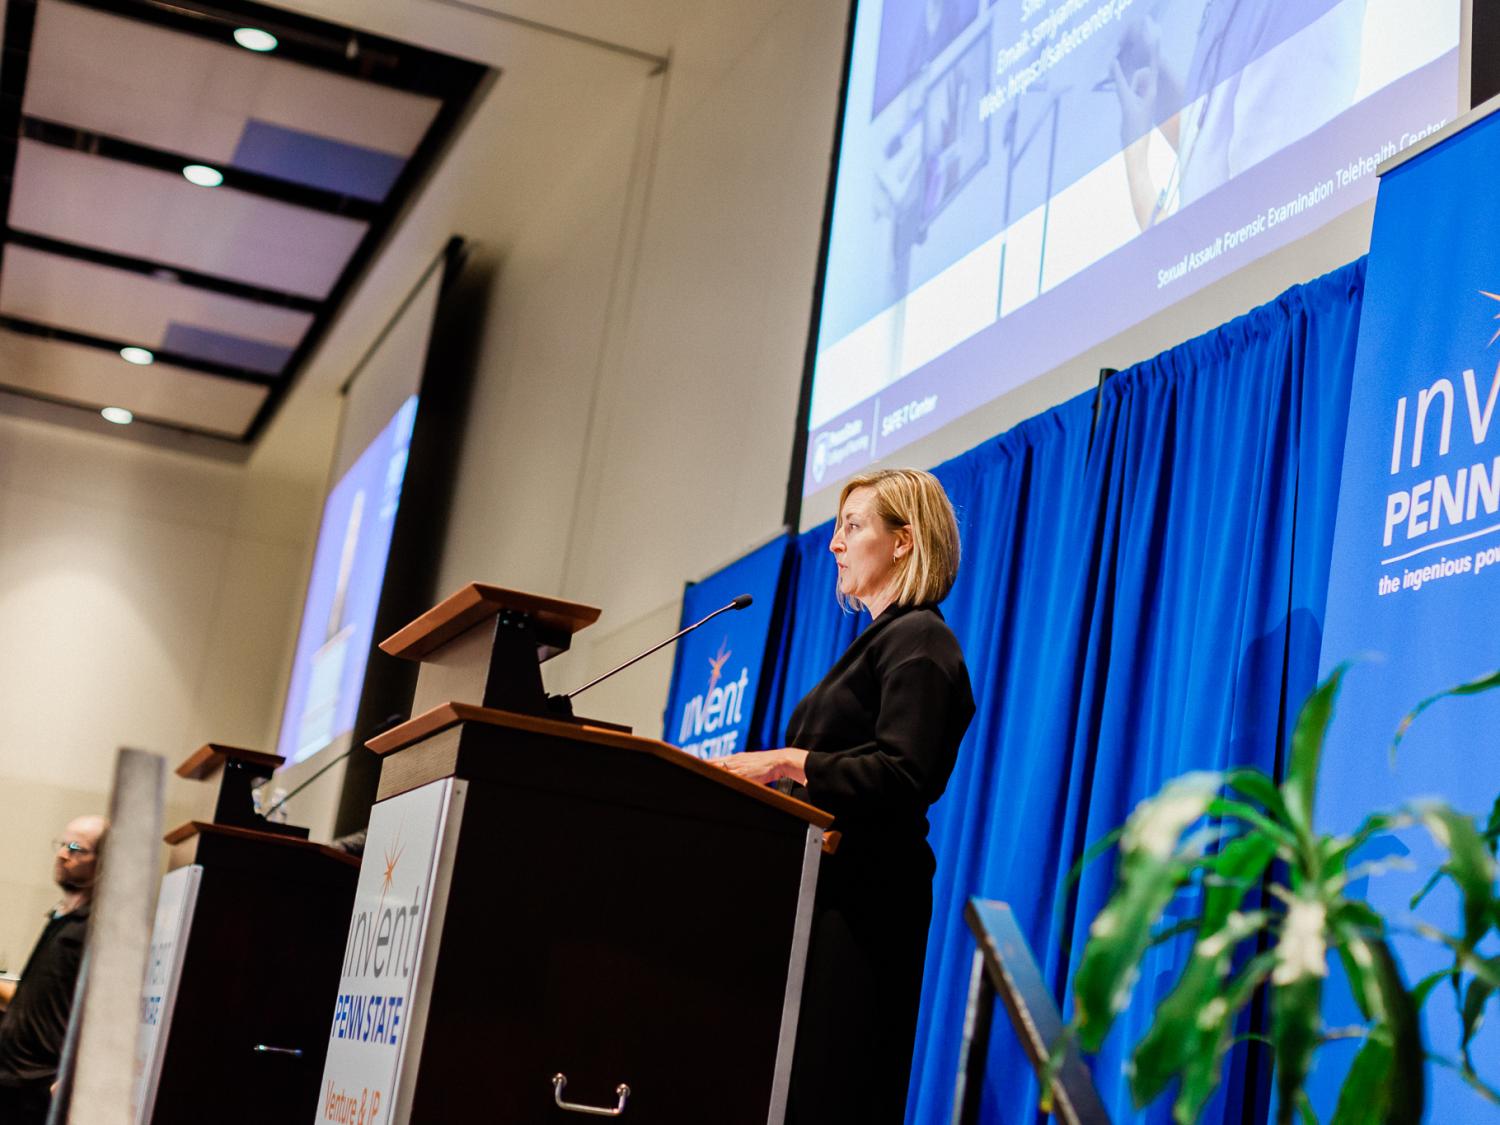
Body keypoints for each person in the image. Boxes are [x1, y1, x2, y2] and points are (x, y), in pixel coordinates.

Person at [718, 468, 975, 1124]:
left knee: (836, 1093)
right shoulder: (881, 642)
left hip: (865, 908)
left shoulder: (922, 641)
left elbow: (903, 774)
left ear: (903, 541)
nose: (834, 543)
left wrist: (787, 761)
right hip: (825, 897)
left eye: (852, 526)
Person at [0, 815, 106, 1124]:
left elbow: (105, 1012)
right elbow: (38, 1000)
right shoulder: (61, 917)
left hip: (38, 1089)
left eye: (76, 848)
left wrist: (74, 1076)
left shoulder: (96, 928)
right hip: (11, 1080)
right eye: (61, 845)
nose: (62, 854)